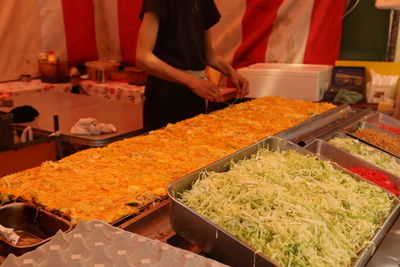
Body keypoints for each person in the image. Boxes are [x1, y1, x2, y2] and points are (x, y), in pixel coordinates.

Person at [136, 0, 249, 131]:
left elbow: (208, 55)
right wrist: (191, 81)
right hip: (165, 94)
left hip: (196, 95)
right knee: (164, 147)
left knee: (195, 146)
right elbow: (143, 57)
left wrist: (231, 72)